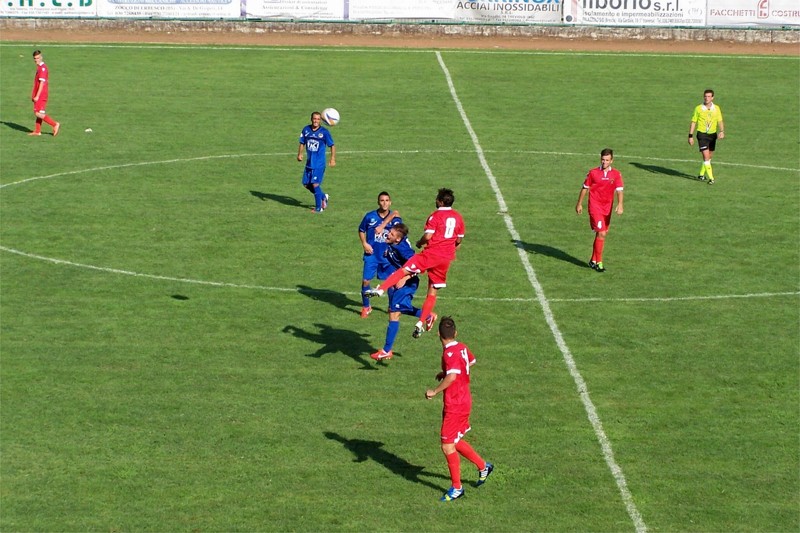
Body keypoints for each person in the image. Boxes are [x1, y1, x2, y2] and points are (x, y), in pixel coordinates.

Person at [365, 188, 464, 339]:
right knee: (432, 292)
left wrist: (419, 242)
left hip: (432, 254)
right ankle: (420, 322)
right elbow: (458, 240)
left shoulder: (435, 216)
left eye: (437, 198)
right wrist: (452, 248)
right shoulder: (458, 217)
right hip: (446, 259)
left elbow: (428, 235)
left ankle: (381, 289)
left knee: (404, 270)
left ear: (440, 201)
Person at [425, 316, 493, 502]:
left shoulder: (449, 354)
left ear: (439, 334)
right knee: (455, 439)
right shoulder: (461, 347)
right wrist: (446, 372)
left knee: (447, 446)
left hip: (455, 404)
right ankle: (483, 466)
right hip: (464, 400)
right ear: (455, 333)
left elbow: (453, 377)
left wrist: (435, 391)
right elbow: (470, 362)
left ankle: (457, 488)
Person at [370, 223, 422, 361]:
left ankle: (387, 350)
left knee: (394, 314)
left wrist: (405, 278)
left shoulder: (403, 249)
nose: (388, 235)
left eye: (392, 234)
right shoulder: (394, 243)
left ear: (398, 239)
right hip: (396, 282)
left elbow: (420, 266)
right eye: (390, 232)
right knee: (396, 310)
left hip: (407, 283)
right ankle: (426, 316)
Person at [575, 148, 624, 273]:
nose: (604, 162)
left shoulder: (616, 174)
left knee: (602, 234)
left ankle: (592, 260)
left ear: (612, 160)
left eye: (607, 160)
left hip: (607, 208)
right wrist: (579, 204)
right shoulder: (593, 173)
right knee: (601, 233)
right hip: (595, 206)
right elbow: (585, 188)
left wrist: (620, 204)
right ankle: (599, 263)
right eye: (603, 159)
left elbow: (619, 190)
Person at [358, 192, 403, 318]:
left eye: (387, 200)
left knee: (391, 282)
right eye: (382, 200)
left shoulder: (395, 220)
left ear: (390, 202)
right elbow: (361, 230)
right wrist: (364, 243)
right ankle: (366, 307)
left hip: (388, 257)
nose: (384, 203)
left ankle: (391, 306)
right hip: (372, 255)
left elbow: (398, 218)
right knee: (366, 281)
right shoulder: (369, 216)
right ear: (378, 202)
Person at [297, 111, 335, 212]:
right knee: (306, 184)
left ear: (321, 121)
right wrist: (300, 154)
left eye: (318, 119)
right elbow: (302, 142)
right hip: (309, 163)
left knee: (315, 184)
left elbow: (332, 145)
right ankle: (323, 197)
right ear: (311, 119)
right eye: (314, 119)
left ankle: (319, 208)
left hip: (319, 164)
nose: (316, 121)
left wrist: (332, 158)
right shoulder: (306, 130)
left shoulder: (325, 132)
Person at [688, 89, 725, 185]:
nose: (707, 98)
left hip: (712, 135)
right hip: (702, 135)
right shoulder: (698, 108)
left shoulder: (716, 108)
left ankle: (701, 174)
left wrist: (721, 131)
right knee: (706, 156)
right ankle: (711, 178)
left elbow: (720, 120)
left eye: (709, 96)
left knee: (709, 156)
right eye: (705, 96)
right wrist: (690, 136)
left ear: (712, 98)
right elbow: (693, 122)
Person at [29, 50, 60, 137]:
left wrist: (37, 96)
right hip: (41, 94)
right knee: (39, 112)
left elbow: (42, 83)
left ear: (41, 57)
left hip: (41, 94)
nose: (36, 60)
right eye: (35, 58)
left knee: (38, 113)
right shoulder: (40, 67)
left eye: (38, 58)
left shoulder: (42, 68)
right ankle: (38, 131)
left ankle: (54, 124)